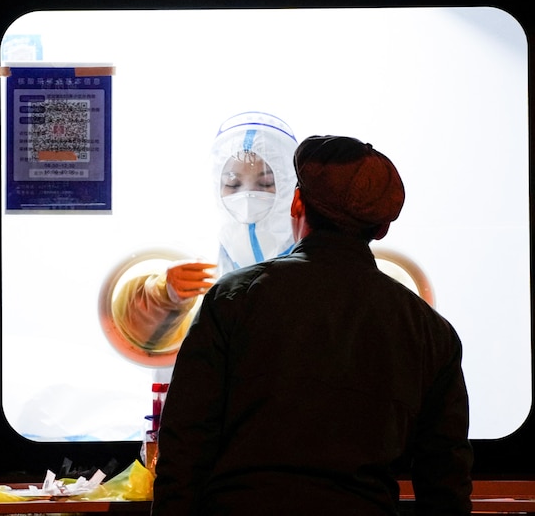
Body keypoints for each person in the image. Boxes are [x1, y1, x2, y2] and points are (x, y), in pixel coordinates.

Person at [152, 135, 473, 515]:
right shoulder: (430, 331)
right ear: (382, 227)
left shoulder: (234, 297)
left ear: (296, 202)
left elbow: (184, 447)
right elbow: (445, 483)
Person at [111, 111, 299, 352]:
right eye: (232, 183)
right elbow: (135, 334)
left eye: (265, 184)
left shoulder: (324, 260)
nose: (248, 197)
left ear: (290, 186)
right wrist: (164, 296)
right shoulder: (196, 258)